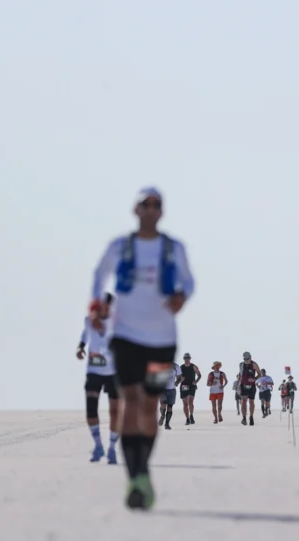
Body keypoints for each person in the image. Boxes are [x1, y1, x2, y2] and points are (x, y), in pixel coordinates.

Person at [90, 186, 194, 510]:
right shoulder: (120, 246)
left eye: (155, 205)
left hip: (163, 341)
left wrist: (181, 297)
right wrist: (97, 307)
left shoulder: (172, 247)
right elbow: (99, 275)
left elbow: (189, 281)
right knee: (130, 401)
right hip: (125, 336)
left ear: (161, 211)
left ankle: (143, 469)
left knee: (151, 405)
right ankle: (134, 478)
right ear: (135, 210)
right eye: (144, 205)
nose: (150, 210)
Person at [77, 295, 121, 464]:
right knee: (91, 410)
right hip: (94, 371)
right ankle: (98, 445)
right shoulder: (89, 321)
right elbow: (85, 335)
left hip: (113, 372)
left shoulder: (117, 324)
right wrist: (80, 347)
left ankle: (111, 448)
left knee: (115, 412)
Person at [177, 353, 201, 426]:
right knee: (185, 403)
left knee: (190, 401)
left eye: (188, 358)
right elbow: (178, 377)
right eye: (185, 358)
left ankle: (191, 416)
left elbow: (199, 375)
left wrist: (196, 381)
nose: (187, 359)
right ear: (184, 359)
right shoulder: (181, 367)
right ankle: (187, 418)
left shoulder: (193, 366)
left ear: (190, 359)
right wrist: (180, 379)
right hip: (184, 385)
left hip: (191, 385)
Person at [238, 352, 261, 425]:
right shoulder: (241, 365)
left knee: (251, 402)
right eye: (245, 359)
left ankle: (251, 416)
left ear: (250, 358)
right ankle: (244, 418)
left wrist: (254, 379)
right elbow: (240, 375)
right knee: (243, 402)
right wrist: (239, 383)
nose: (246, 360)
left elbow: (259, 374)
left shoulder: (254, 364)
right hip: (243, 385)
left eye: (247, 358)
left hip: (252, 386)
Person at [157, 362, 180, 431]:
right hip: (163, 389)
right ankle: (162, 415)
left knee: (170, 408)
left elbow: (180, 377)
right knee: (163, 405)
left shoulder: (176, 366)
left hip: (172, 390)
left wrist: (177, 382)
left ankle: (167, 424)